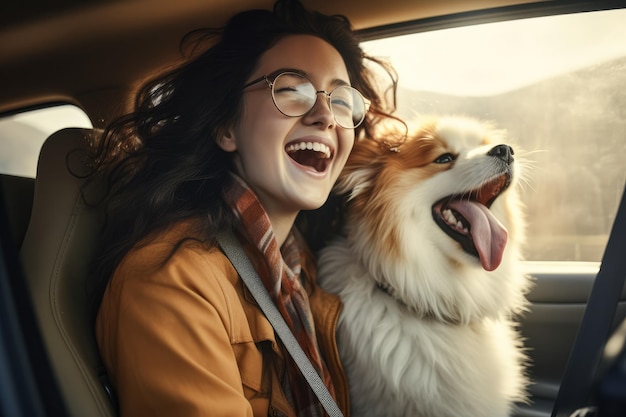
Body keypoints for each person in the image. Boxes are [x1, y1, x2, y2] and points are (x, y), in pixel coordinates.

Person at [89, 1, 398, 416]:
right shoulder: (170, 280)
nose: (325, 116)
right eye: (291, 90)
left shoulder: (302, 266)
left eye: (342, 101)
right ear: (226, 127)